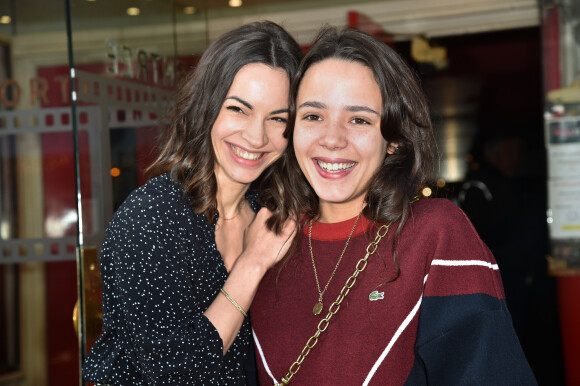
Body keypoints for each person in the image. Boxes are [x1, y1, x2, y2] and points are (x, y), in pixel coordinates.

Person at [251, 27, 537, 385]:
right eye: (313, 116)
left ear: (394, 141)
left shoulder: (434, 234)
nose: (332, 139)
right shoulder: (265, 242)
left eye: (359, 119)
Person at [82, 21, 301, 385]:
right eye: (238, 109)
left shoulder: (269, 211)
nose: (257, 136)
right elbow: (179, 373)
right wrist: (253, 263)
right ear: (207, 107)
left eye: (278, 118)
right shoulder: (151, 218)